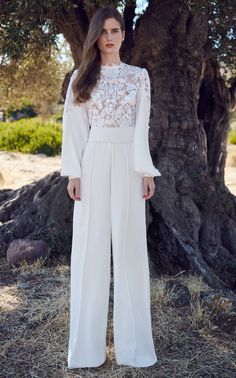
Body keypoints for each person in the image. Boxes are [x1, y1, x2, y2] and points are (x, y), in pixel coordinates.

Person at [60, 5, 161, 369]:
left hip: (129, 165)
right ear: (95, 37)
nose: (110, 37)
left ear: (123, 33)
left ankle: (134, 350)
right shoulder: (81, 77)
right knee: (89, 249)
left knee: (131, 249)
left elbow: (141, 128)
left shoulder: (138, 77)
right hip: (93, 161)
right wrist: (74, 173)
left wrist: (145, 171)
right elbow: (73, 128)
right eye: (103, 32)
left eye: (115, 30)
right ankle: (86, 351)